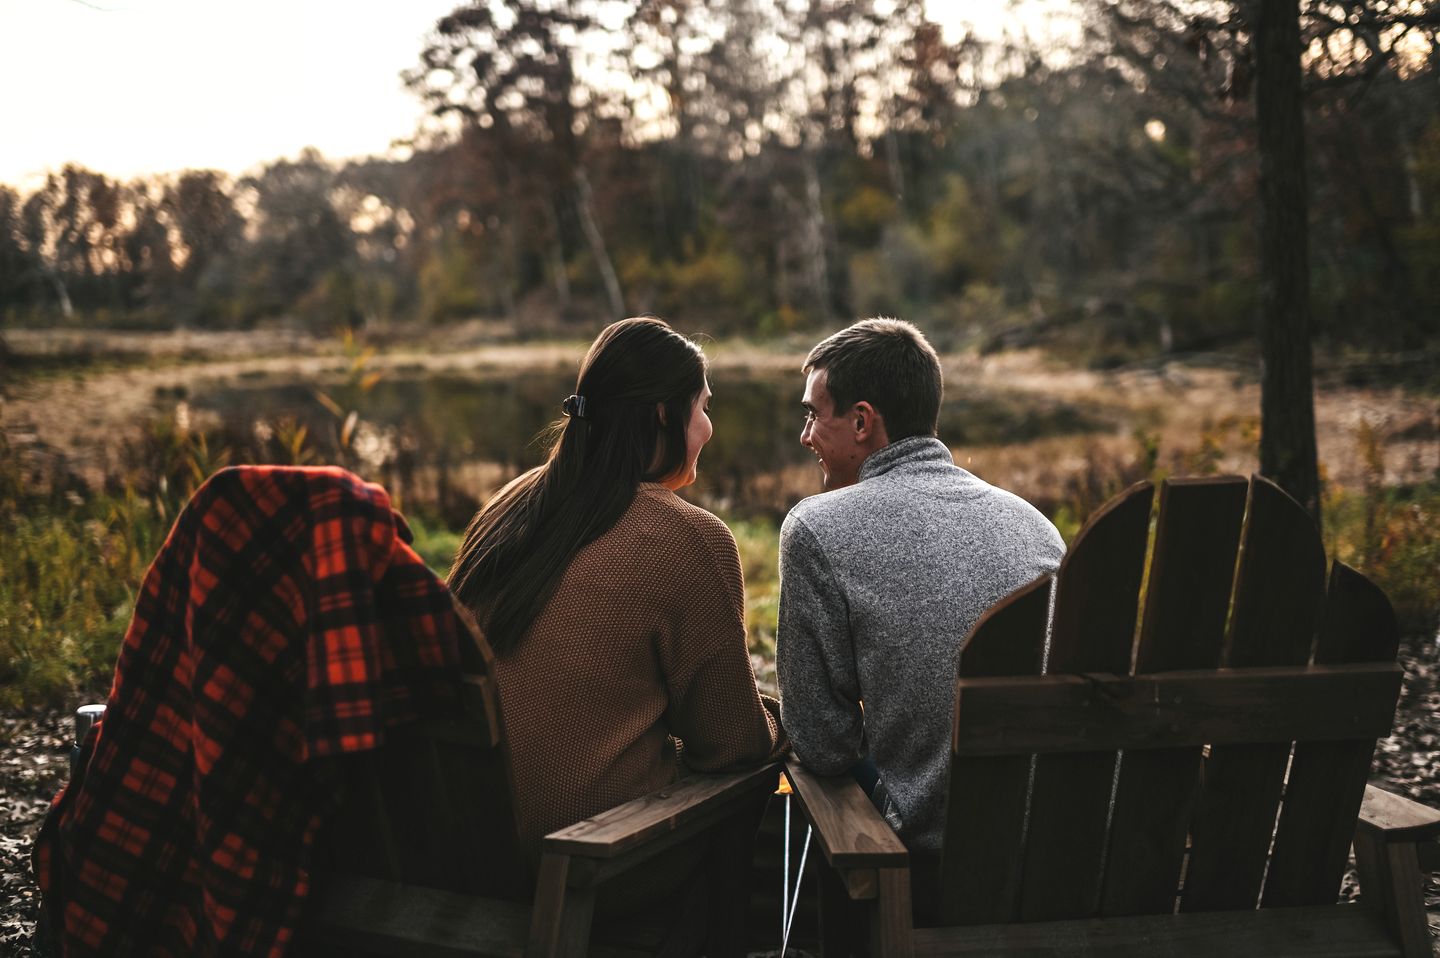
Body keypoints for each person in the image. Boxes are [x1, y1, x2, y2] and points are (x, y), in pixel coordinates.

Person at [447, 315, 784, 864]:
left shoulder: (508, 507)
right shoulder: (688, 539)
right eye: (702, 407)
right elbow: (730, 746)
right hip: (596, 867)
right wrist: (778, 720)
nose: (708, 428)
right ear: (662, 415)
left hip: (473, 848)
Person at [776, 318, 1065, 859]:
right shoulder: (1036, 526)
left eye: (814, 414)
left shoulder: (818, 528)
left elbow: (821, 743)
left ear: (862, 422)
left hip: (939, 857)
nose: (805, 435)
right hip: (1058, 842)